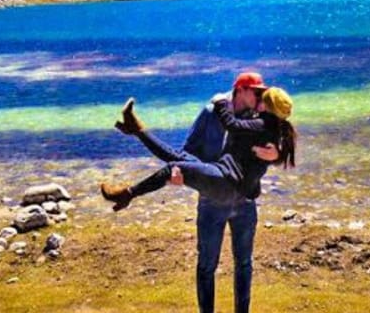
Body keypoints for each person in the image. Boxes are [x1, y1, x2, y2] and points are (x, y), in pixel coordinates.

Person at [105, 72, 282, 313]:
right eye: (257, 91)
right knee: (207, 266)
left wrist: (277, 154)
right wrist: (181, 176)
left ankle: (137, 135)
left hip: (244, 202)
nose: (261, 96)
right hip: (213, 196)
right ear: (240, 89)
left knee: (244, 264)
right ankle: (136, 136)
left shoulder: (256, 115)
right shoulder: (211, 113)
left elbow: (277, 135)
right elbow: (188, 152)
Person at [99, 85, 296, 209]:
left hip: (227, 185)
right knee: (177, 156)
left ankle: (128, 194)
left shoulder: (262, 124)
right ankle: (137, 129)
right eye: (257, 94)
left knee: (173, 166)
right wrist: (278, 156)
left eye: (262, 98)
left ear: (266, 106)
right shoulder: (271, 126)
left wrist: (221, 103)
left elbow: (232, 125)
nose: (258, 99)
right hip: (223, 176)